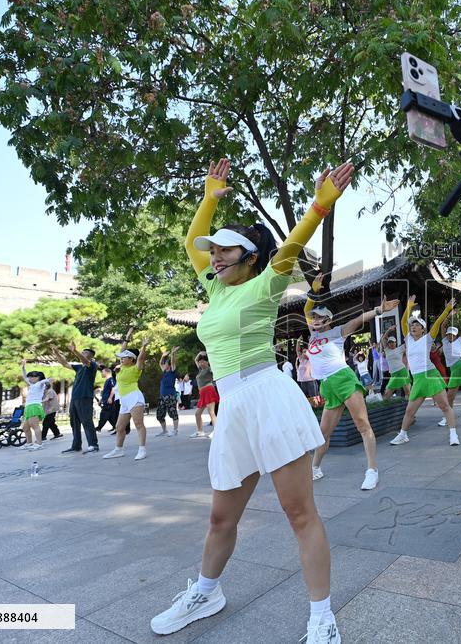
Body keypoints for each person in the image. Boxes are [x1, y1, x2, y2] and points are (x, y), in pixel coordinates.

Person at [150, 158, 352, 643]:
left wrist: (319, 206)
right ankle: (205, 593)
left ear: (251, 258)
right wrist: (208, 197)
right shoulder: (213, 287)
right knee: (221, 517)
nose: (215, 257)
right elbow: (190, 242)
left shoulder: (266, 283)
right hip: (233, 407)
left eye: (226, 250)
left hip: (268, 398)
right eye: (214, 251)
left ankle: (323, 619)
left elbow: (291, 247)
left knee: (299, 513)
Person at [306, 274, 399, 490]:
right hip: (327, 385)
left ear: (328, 319)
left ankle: (372, 470)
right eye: (314, 317)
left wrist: (379, 310)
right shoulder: (312, 336)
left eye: (320, 317)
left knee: (362, 425)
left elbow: (358, 320)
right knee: (323, 434)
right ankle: (315, 469)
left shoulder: (338, 331)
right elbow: (306, 309)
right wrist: (313, 290)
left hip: (344, 379)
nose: (315, 319)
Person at [389, 296, 460, 447]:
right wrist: (408, 306)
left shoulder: (428, 338)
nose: (413, 327)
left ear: (423, 329)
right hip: (418, 379)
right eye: (412, 325)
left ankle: (453, 434)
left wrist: (448, 309)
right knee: (409, 411)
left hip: (431, 375)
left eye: (417, 325)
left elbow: (438, 322)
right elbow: (403, 321)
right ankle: (402, 435)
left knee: (445, 406)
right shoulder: (408, 339)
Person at [103, 336, 151, 460]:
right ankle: (118, 450)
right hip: (124, 400)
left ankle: (142, 450)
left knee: (138, 424)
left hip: (134, 398)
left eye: (124, 357)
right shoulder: (122, 366)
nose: (122, 358)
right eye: (122, 357)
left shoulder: (136, 368)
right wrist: (127, 338)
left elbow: (140, 358)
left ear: (131, 359)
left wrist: (144, 346)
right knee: (119, 427)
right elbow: (122, 349)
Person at [49, 342, 100, 455]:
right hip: (75, 398)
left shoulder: (92, 365)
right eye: (82, 352)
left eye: (85, 352)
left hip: (85, 397)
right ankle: (76, 446)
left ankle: (93, 445)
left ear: (91, 356)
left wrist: (74, 351)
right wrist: (56, 353)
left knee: (87, 421)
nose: (83, 353)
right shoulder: (79, 367)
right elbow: (64, 364)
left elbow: (85, 361)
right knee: (74, 423)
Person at [19, 359, 51, 451]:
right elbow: (24, 376)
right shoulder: (32, 385)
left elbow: (45, 381)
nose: (29, 378)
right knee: (25, 427)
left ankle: (39, 444)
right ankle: (29, 443)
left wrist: (47, 380)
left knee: (35, 426)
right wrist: (23, 367)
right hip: (28, 407)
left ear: (37, 378)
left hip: (34, 406)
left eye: (32, 377)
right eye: (30, 377)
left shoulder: (40, 384)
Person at [192, 352, 219, 438]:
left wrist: (208, 353)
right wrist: (199, 353)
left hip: (209, 390)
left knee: (211, 412)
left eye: (203, 361)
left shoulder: (209, 369)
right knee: (197, 414)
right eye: (200, 362)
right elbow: (196, 360)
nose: (201, 363)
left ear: (207, 362)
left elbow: (214, 367)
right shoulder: (201, 370)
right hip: (202, 393)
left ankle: (216, 432)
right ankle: (200, 431)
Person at [157, 347, 181, 437]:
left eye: (165, 363)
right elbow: (160, 363)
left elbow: (173, 362)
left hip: (170, 395)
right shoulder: (164, 372)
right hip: (162, 396)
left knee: (173, 413)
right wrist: (163, 356)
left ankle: (175, 430)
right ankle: (164, 431)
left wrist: (173, 353)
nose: (163, 365)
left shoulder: (172, 372)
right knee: (159, 415)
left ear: (169, 365)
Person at [379, 330, 410, 399]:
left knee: (408, 392)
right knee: (387, 394)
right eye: (389, 342)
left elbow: (409, 341)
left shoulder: (400, 348)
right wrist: (389, 330)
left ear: (395, 342)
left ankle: (409, 405)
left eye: (393, 342)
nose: (391, 344)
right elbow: (383, 338)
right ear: (388, 344)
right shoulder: (387, 350)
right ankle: (385, 406)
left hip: (402, 371)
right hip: (394, 374)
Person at [96, 367, 118, 432]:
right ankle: (116, 427)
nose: (101, 373)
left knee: (104, 414)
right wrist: (101, 400)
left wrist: (110, 398)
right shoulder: (107, 380)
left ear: (107, 372)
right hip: (106, 401)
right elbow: (105, 392)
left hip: (109, 401)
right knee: (110, 416)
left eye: (102, 372)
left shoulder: (111, 379)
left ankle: (99, 427)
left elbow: (113, 389)